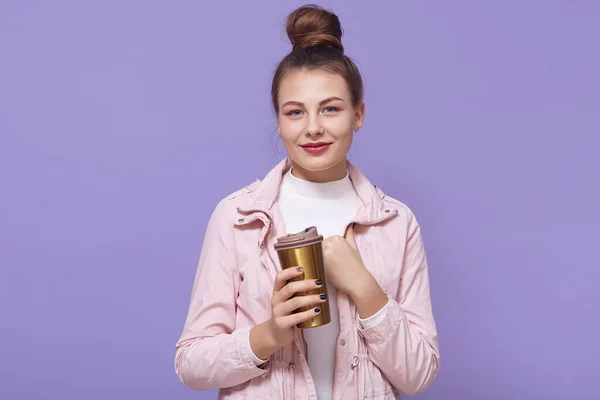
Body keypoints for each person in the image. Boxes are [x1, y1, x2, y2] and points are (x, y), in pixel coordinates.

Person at [174, 4, 440, 399]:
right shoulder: (239, 218)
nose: (313, 128)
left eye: (330, 108)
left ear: (358, 114)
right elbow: (191, 365)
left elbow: (419, 376)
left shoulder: (395, 222)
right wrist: (269, 334)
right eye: (295, 112)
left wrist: (366, 290)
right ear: (279, 121)